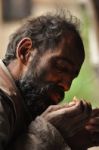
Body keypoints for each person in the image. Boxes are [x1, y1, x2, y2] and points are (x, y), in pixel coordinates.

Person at [0, 11, 95, 150]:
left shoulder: (22, 106)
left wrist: (67, 141)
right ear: (25, 52)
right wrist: (47, 132)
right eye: (61, 67)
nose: (67, 86)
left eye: (72, 78)